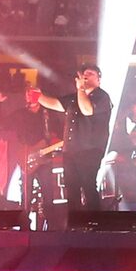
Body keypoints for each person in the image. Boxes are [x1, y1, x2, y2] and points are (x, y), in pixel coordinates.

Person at [28, 64, 115, 212]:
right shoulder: (74, 98)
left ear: (99, 79)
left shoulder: (102, 97)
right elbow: (55, 104)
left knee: (88, 185)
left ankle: (94, 223)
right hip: (71, 151)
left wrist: (81, 89)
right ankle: (75, 224)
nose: (86, 76)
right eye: (84, 73)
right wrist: (38, 96)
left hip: (90, 150)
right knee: (71, 187)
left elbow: (87, 110)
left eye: (91, 73)